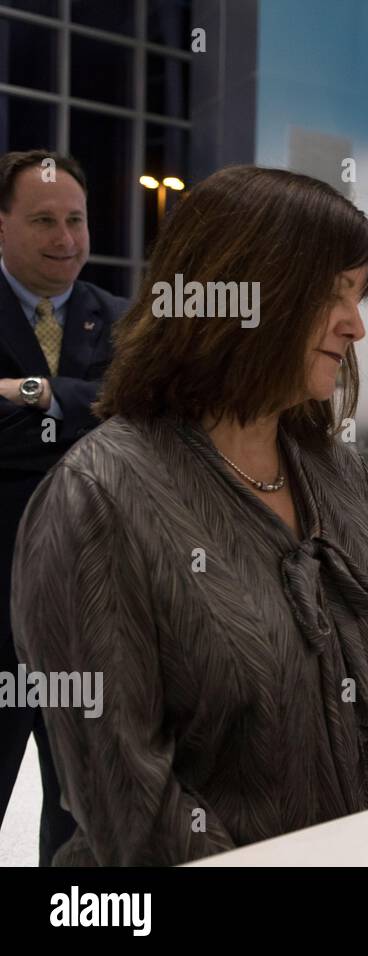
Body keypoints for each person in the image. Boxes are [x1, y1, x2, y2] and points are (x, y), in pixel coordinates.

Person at [11, 165, 368, 865]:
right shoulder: (98, 499)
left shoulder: (338, 472)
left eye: (359, 296)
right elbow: (133, 807)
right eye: (334, 295)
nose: (356, 325)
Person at [0, 149, 122, 865]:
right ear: (2, 225)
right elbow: (105, 416)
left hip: (92, 613)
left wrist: (35, 394)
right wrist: (85, 411)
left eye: (75, 220)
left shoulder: (117, 318)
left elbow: (137, 415)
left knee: (86, 813)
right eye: (44, 220)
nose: (65, 238)